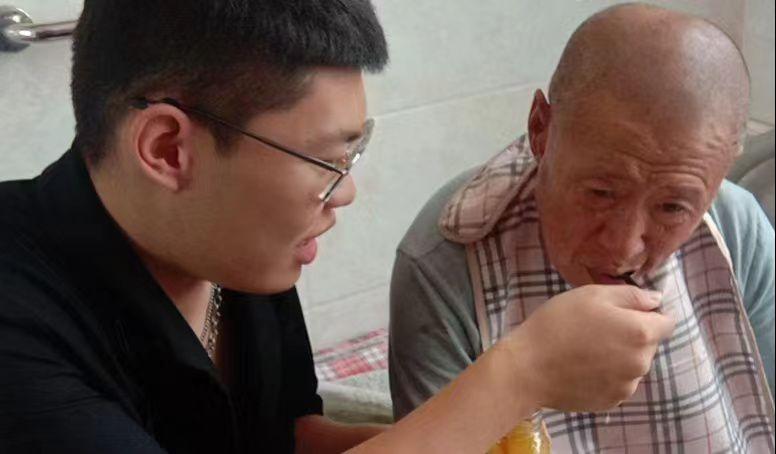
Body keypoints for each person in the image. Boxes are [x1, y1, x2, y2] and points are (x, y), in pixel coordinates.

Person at [1, 1, 678, 453]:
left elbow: (286, 437)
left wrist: (479, 434)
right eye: (327, 160)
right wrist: (518, 376)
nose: (346, 191)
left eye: (352, 156)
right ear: (169, 149)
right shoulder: (20, 322)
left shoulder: (233, 252)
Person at [389, 3, 775, 453]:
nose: (624, 247)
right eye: (601, 193)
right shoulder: (446, 259)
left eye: (672, 208)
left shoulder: (735, 227)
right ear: (540, 129)